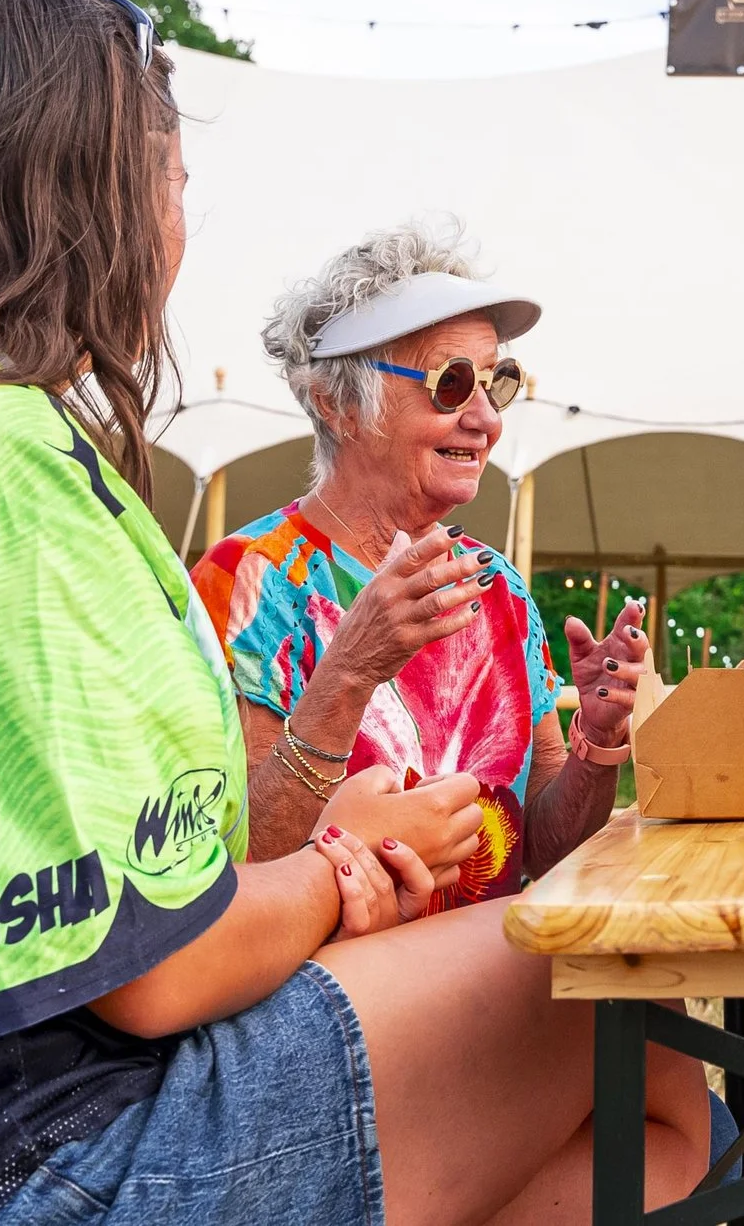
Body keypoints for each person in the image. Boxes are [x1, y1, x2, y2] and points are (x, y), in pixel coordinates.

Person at [0, 0, 707, 1226]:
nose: (181, 229)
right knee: (625, 1025)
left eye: (498, 380)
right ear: (104, 195)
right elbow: (155, 959)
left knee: (605, 1110)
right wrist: (349, 859)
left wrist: (579, 752)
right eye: (175, 185)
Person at [189, 223, 638, 897]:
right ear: (337, 403)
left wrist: (595, 747)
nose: (486, 418)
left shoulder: (496, 587)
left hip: (486, 970)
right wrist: (350, 671)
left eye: (499, 382)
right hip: (338, 990)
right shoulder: (248, 579)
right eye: (451, 383)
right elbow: (241, 862)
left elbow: (539, 849)